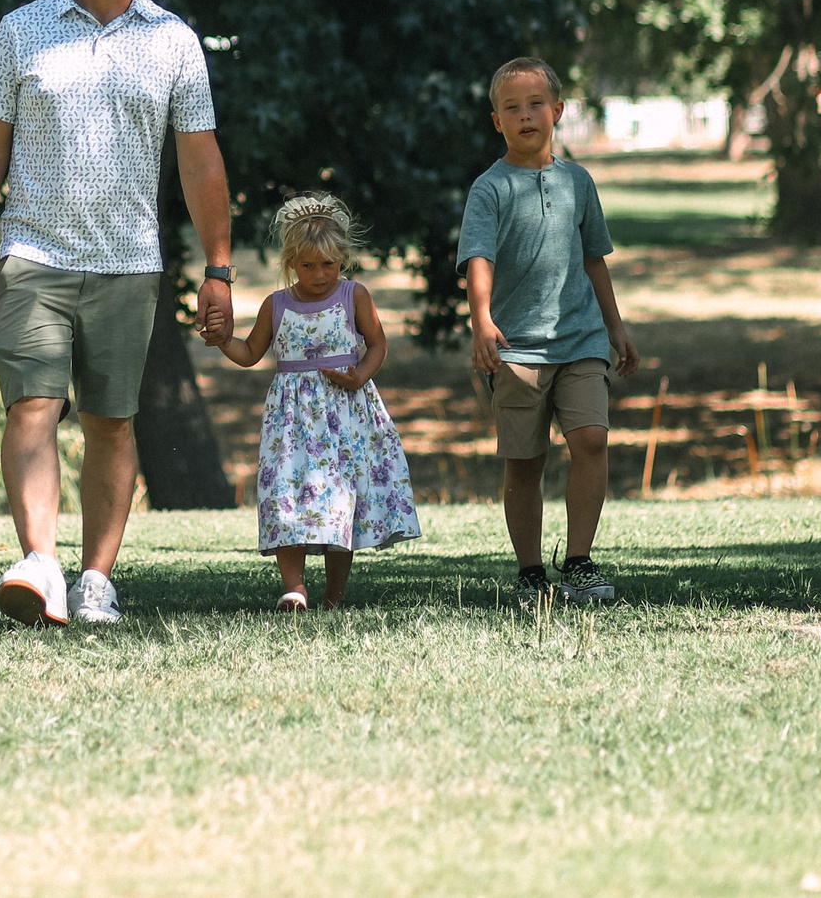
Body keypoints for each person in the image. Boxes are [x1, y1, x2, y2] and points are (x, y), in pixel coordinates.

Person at [0, 0, 236, 628]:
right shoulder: (22, 28)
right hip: (33, 250)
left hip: (129, 261)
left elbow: (201, 160)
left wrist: (221, 268)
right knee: (32, 404)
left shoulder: (173, 40)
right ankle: (41, 563)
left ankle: (97, 578)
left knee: (111, 419)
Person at [460, 56, 640, 609]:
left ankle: (580, 562)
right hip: (518, 347)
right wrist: (482, 321)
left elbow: (595, 260)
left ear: (557, 111)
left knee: (591, 438)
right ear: (497, 121)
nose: (525, 115)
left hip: (580, 338)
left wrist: (616, 327)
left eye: (536, 104)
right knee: (525, 462)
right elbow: (478, 259)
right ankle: (531, 571)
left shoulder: (578, 183)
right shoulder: (489, 189)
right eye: (511, 108)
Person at [203, 194, 418, 609]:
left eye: (328, 264)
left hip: (345, 417)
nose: (319, 275)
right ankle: (294, 587)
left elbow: (377, 345)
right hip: (292, 423)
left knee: (341, 501)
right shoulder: (276, 305)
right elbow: (250, 353)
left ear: (343, 259)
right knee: (287, 496)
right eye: (307, 266)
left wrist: (360, 375)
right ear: (290, 263)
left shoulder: (354, 297)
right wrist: (223, 340)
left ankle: (334, 594)